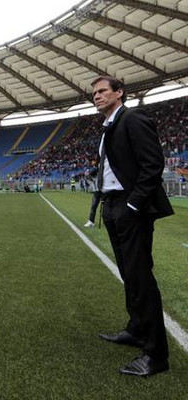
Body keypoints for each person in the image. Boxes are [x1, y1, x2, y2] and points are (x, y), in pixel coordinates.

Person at [91, 75, 174, 377]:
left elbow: (153, 164)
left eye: (102, 91)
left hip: (130, 205)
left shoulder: (132, 116)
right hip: (113, 205)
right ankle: (137, 329)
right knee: (129, 274)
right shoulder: (108, 126)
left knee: (140, 278)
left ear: (119, 92)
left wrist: (133, 205)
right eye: (95, 93)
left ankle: (156, 355)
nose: (97, 96)